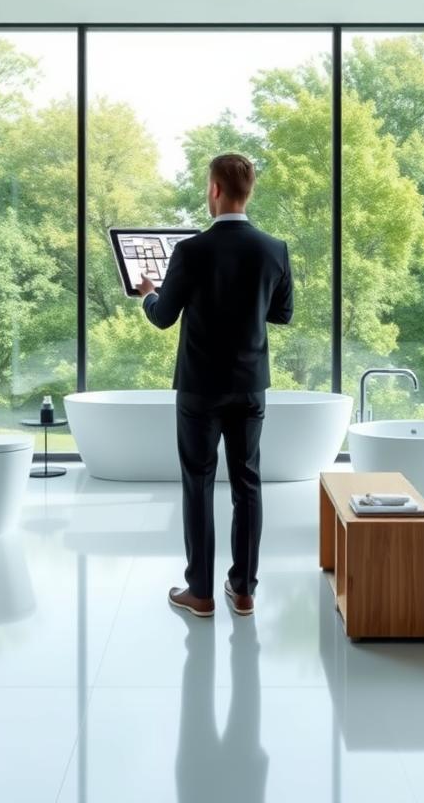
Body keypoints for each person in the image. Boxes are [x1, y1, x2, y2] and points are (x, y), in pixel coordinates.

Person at [136, 153, 293, 618]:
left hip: (199, 388)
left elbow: (163, 317)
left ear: (215, 191)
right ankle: (243, 590)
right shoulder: (275, 249)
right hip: (249, 387)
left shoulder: (191, 251)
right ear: (249, 192)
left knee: (198, 484)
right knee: (248, 484)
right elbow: (281, 313)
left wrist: (149, 293)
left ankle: (200, 592)